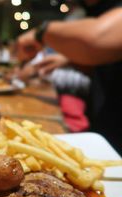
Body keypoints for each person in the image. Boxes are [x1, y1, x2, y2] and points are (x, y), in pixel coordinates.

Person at [16, 0, 122, 154]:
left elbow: (95, 40)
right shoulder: (94, 10)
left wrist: (41, 32)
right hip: (103, 134)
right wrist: (71, 60)